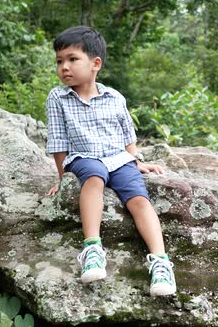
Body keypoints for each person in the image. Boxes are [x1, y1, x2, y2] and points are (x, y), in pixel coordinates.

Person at [45, 26, 176, 297]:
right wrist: (62, 178)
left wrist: (136, 160)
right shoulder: (58, 97)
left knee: (139, 199)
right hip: (83, 157)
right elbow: (58, 143)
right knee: (93, 177)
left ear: (95, 64)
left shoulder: (114, 97)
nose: (64, 67)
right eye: (59, 61)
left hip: (118, 159)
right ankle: (92, 248)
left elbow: (127, 135)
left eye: (72, 59)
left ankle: (161, 262)